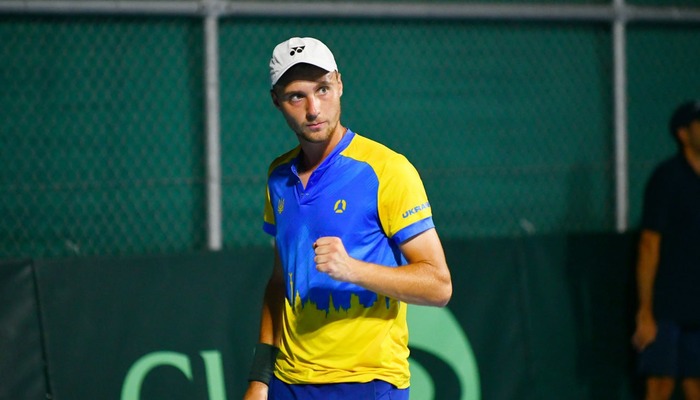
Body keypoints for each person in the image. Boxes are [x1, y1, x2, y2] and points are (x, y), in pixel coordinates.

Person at [243, 37, 453, 400]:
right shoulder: (278, 176)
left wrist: (353, 269)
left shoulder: (388, 170)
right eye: (296, 96)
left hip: (368, 383)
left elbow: (439, 285)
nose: (313, 109)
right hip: (287, 383)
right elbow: (279, 282)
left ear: (339, 84)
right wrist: (260, 380)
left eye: (322, 89)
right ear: (276, 101)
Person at [632, 100, 700, 400]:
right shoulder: (667, 177)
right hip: (667, 307)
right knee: (660, 385)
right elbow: (649, 244)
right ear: (683, 134)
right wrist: (645, 311)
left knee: (696, 386)